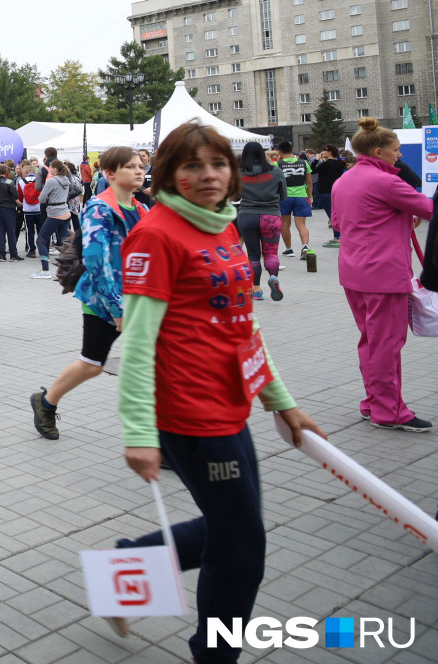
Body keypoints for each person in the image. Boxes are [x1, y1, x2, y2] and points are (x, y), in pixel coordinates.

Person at [113, 122, 324, 658]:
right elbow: (137, 345)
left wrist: (282, 401)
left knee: (231, 528)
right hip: (186, 414)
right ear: (168, 174)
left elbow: (243, 325)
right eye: (192, 166)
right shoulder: (156, 234)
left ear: (234, 173)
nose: (208, 176)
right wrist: (139, 432)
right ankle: (214, 652)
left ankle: (130, 566)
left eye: (217, 164)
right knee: (242, 547)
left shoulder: (222, 223)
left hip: (231, 407)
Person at [30, 147, 145, 439]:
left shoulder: (142, 209)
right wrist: (117, 309)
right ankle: (45, 403)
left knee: (156, 364)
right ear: (110, 174)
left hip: (140, 299)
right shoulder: (100, 208)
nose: (140, 170)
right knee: (92, 364)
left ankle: (162, 437)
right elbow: (96, 262)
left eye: (141, 165)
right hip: (104, 301)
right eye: (131, 166)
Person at [337, 118, 434, 432]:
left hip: (354, 271)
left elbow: (338, 223)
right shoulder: (386, 182)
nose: (400, 156)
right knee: (387, 344)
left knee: (371, 340)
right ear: (379, 151)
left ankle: (373, 403)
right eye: (396, 151)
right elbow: (430, 209)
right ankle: (388, 411)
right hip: (384, 273)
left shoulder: (344, 180)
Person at [236, 142, 286, 302]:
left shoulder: (240, 173)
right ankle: (273, 277)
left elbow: (235, 197)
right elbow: (283, 196)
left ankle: (256, 289)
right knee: (270, 252)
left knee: (253, 254)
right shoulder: (276, 171)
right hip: (271, 215)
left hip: (247, 215)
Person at [31, 160, 77, 280]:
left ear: (55, 169)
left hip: (55, 213)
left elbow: (41, 199)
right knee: (64, 243)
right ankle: (65, 271)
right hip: (66, 212)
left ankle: (45, 270)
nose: (49, 169)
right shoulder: (66, 180)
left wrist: (48, 197)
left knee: (40, 241)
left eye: (51, 167)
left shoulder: (52, 181)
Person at [276, 141, 313, 258]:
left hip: (284, 197)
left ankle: (289, 249)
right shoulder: (303, 163)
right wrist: (310, 195)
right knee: (301, 224)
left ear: (279, 152)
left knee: (285, 224)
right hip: (301, 196)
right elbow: (309, 182)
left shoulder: (277, 165)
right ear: (292, 150)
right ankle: (305, 246)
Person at [313, 145, 346, 247]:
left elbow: (312, 170)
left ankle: (338, 238)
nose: (322, 152)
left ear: (330, 152)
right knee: (336, 215)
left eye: (324, 150)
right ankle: (338, 237)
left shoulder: (327, 164)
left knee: (332, 216)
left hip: (326, 191)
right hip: (338, 190)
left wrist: (316, 160)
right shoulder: (339, 162)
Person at [0, 164, 21, 261]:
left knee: (0, 231)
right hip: (8, 208)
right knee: (10, 231)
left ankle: (2, 254)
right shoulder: (9, 182)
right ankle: (13, 254)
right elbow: (15, 195)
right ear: (6, 172)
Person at [18, 162, 43, 259]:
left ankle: (31, 250)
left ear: (26, 172)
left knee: (30, 230)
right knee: (40, 229)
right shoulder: (39, 180)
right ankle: (42, 248)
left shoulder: (21, 181)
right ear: (35, 172)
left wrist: (21, 202)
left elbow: (20, 195)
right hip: (38, 207)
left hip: (27, 209)